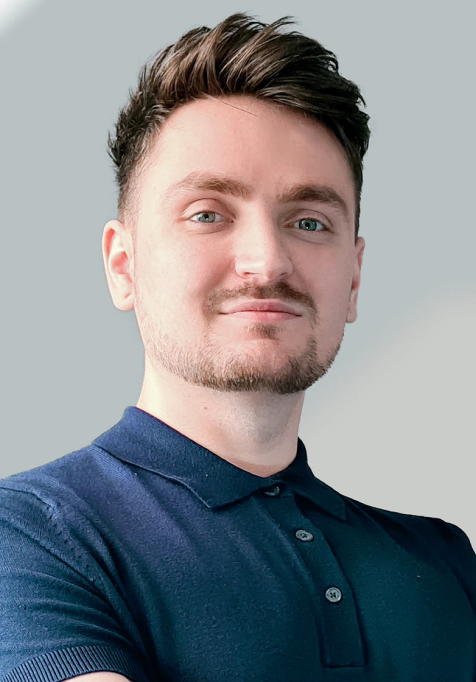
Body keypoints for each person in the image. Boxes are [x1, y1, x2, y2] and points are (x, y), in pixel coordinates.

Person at [0, 11, 474, 682]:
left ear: (354, 278)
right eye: (208, 214)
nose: (267, 261)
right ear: (123, 265)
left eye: (309, 221)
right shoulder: (32, 535)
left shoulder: (446, 558)